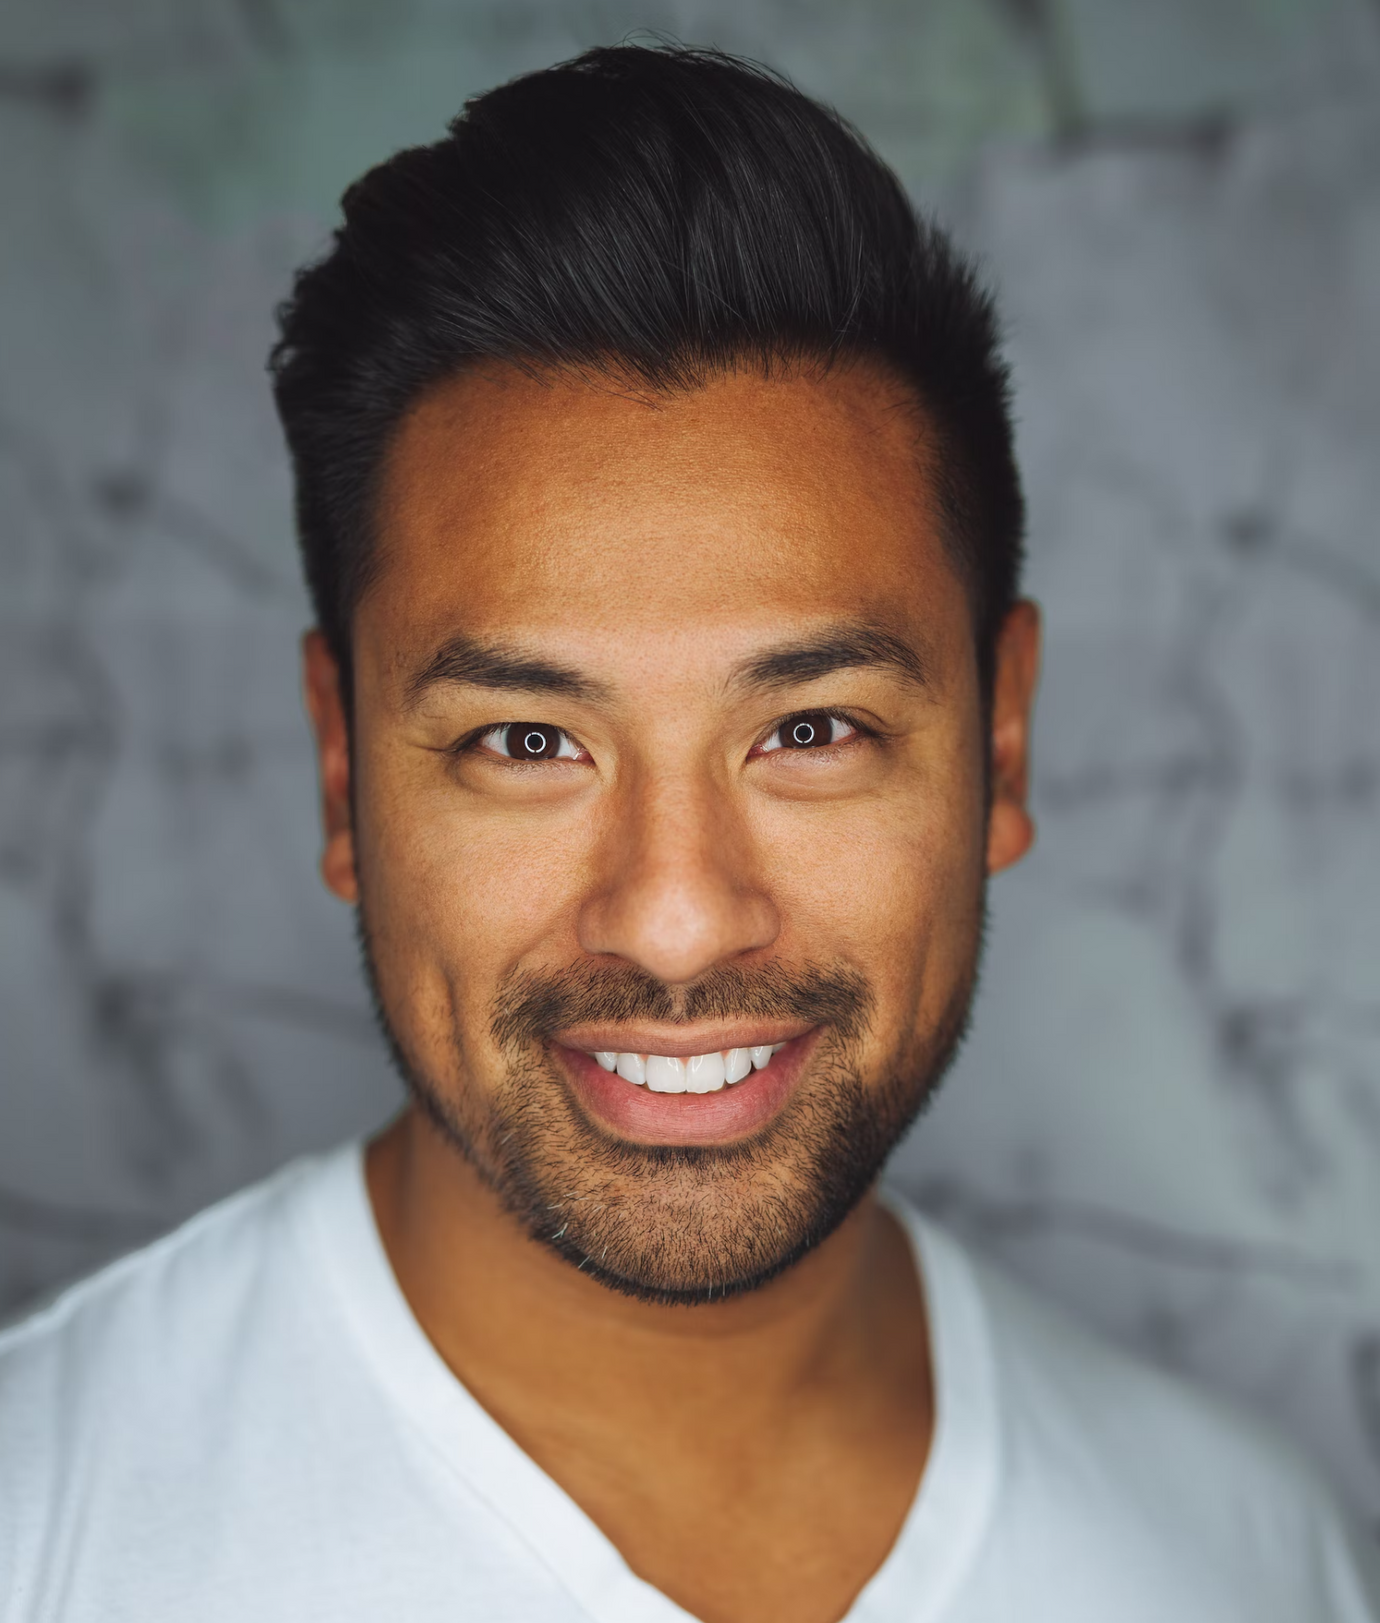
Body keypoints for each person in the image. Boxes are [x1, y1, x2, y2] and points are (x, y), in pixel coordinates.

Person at [1, 43, 1376, 1623]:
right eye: (528, 742)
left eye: (809, 731)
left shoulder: (1248, 1562)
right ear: (341, 771)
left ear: (1000, 742)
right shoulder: (43, 1522)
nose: (673, 917)